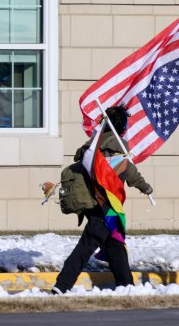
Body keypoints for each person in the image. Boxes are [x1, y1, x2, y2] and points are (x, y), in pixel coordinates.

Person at [52, 105, 153, 294]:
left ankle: (126, 287)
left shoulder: (92, 147)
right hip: (107, 208)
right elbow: (131, 174)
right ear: (122, 127)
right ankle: (62, 285)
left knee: (115, 248)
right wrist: (146, 188)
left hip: (94, 205)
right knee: (85, 248)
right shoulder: (117, 150)